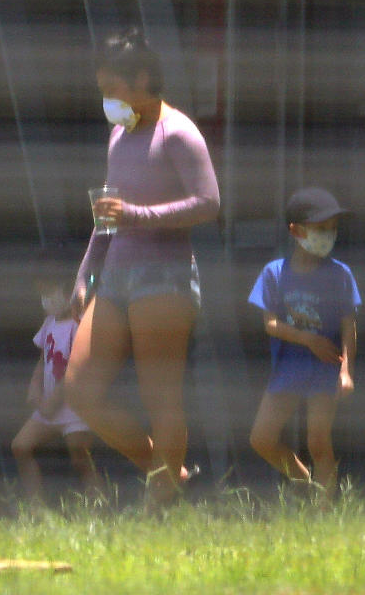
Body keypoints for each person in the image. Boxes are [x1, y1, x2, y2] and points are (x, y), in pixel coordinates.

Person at [63, 27, 220, 505]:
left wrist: (139, 216)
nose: (108, 101)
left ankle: (160, 504)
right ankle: (165, 475)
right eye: (103, 92)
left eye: (113, 90)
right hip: (115, 277)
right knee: (79, 391)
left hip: (164, 279)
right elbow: (108, 211)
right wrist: (86, 272)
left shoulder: (178, 132)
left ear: (143, 78)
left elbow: (209, 203)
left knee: (160, 397)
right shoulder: (119, 133)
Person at [247, 187, 359, 500]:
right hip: (287, 369)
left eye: (333, 229)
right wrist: (308, 339)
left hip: (326, 369)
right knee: (262, 438)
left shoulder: (340, 275)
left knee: (319, 441)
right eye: (321, 229)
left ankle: (324, 514)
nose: (329, 236)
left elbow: (350, 325)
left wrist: (347, 371)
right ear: (296, 231)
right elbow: (270, 324)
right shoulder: (274, 273)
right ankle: (305, 482)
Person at [11, 262, 100, 502]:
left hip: (73, 407)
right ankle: (35, 509)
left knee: (79, 456)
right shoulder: (49, 324)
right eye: (42, 294)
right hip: (49, 407)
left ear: (68, 289)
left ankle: (98, 507)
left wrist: (53, 401)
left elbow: (75, 368)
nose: (45, 299)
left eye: (49, 293)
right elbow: (43, 360)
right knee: (21, 446)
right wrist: (35, 388)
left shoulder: (78, 325)